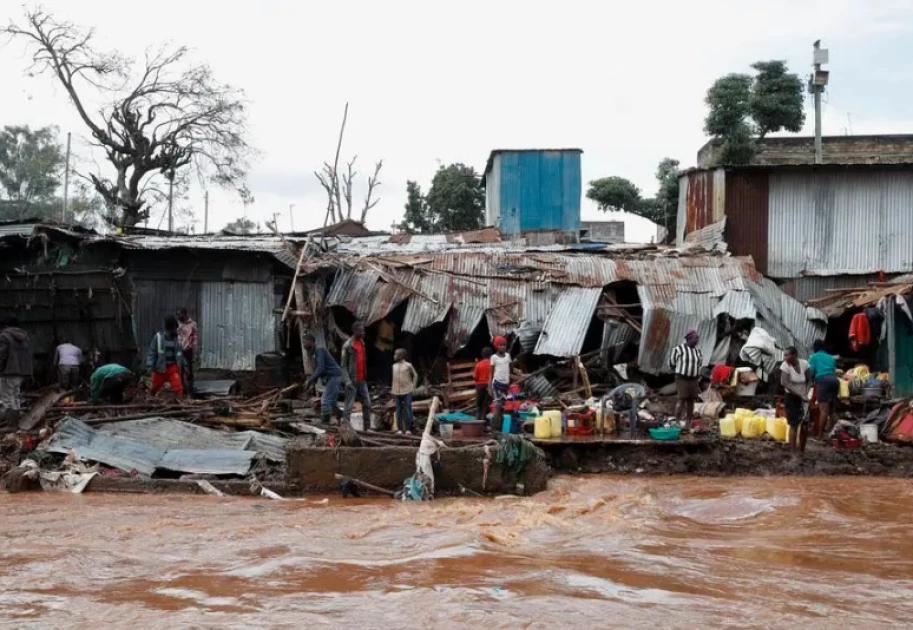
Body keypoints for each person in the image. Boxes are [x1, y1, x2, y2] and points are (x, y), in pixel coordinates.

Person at [303, 333, 344, 424]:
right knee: (332, 401)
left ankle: (325, 423)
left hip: (334, 375)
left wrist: (310, 380)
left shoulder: (319, 350)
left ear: (312, 342)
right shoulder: (313, 353)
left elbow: (321, 368)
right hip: (332, 377)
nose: (304, 345)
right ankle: (341, 416)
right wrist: (311, 383)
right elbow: (316, 370)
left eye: (305, 342)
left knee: (325, 400)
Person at [0, 317, 32, 429]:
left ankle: (11, 425)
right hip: (20, 373)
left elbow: (1, 355)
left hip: (8, 372)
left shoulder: (4, 336)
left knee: (7, 398)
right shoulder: (24, 338)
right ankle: (16, 423)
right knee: (16, 397)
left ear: (6, 326)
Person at [341, 321, 373, 429]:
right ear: (355, 331)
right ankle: (346, 428)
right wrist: (347, 381)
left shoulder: (362, 343)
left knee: (367, 403)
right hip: (352, 380)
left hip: (362, 379)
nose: (364, 332)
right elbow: (343, 366)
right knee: (349, 406)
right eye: (361, 330)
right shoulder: (347, 345)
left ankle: (367, 427)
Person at [780, 346, 810, 453]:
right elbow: (786, 383)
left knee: (805, 425)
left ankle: (802, 450)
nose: (784, 357)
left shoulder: (804, 364)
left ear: (795, 355)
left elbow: (809, 380)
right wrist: (800, 394)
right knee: (793, 425)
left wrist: (806, 392)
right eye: (784, 355)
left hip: (804, 398)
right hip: (791, 397)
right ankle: (793, 451)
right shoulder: (785, 365)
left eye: (787, 355)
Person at [670, 329, 702, 425]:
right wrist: (681, 371)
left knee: (691, 400)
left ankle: (688, 421)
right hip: (682, 379)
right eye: (696, 338)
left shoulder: (698, 351)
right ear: (689, 338)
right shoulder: (678, 349)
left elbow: (699, 364)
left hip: (694, 379)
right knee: (681, 399)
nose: (697, 340)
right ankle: (677, 421)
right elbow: (672, 363)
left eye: (698, 338)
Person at [147, 315, 185, 396]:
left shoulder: (177, 339)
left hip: (172, 368)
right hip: (160, 368)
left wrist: (185, 365)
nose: (175, 330)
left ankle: (180, 402)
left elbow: (181, 354)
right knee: (155, 387)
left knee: (178, 387)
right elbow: (152, 352)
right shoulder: (158, 337)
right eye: (174, 328)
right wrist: (150, 365)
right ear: (170, 327)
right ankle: (151, 399)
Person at [808, 339, 839, 440]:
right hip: (834, 381)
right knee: (831, 411)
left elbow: (811, 372)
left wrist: (809, 382)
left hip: (823, 381)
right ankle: (833, 432)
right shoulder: (831, 358)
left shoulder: (814, 357)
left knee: (824, 410)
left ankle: (820, 436)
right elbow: (834, 371)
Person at [391, 348, 418, 434]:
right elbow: (393, 379)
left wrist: (413, 386)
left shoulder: (408, 365)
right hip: (396, 391)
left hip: (407, 391)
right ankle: (399, 429)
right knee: (398, 410)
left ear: (401, 356)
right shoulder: (394, 366)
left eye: (396, 354)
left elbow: (415, 375)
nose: (394, 356)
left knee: (407, 409)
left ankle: (408, 429)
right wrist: (392, 389)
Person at [490, 336, 511, 427]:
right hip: (497, 384)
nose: (503, 347)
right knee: (497, 405)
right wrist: (489, 386)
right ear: (496, 346)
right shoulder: (494, 357)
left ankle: (500, 428)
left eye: (504, 345)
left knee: (502, 407)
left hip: (505, 385)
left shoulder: (508, 356)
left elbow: (509, 368)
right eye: (500, 345)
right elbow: (491, 372)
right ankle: (494, 428)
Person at [177, 308, 199, 395]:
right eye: (177, 314)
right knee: (179, 370)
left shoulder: (192, 324)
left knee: (188, 370)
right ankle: (181, 389)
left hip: (187, 350)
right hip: (178, 351)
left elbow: (195, 339)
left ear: (185, 314)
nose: (179, 316)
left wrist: (195, 351)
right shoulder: (177, 324)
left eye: (180, 314)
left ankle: (190, 389)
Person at [474, 347, 493, 423]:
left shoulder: (478, 364)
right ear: (491, 355)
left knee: (479, 405)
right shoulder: (492, 364)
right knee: (486, 404)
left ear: (482, 355)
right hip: (489, 386)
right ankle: (484, 421)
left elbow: (475, 377)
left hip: (480, 386)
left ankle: (477, 421)